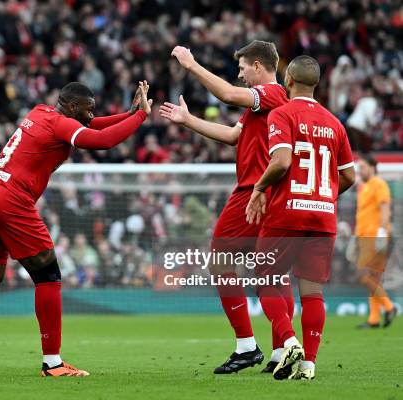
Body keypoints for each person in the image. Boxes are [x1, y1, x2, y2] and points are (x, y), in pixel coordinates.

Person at [0, 81, 152, 377]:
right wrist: (141, 118)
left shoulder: (41, 112)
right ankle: (52, 363)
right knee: (48, 276)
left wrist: (129, 113)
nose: (91, 116)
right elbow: (101, 141)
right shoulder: (61, 124)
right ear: (73, 107)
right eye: (88, 110)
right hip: (10, 200)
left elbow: (95, 126)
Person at [159, 40, 289, 374]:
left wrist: (191, 65)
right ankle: (281, 350)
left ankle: (247, 345)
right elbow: (234, 136)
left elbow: (229, 94)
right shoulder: (263, 106)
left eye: (244, 68)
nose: (241, 74)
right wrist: (188, 120)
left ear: (259, 66)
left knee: (220, 261)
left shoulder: (272, 94)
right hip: (270, 191)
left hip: (252, 191)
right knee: (270, 270)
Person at [245, 55, 356, 380]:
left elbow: (280, 161)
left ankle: (289, 340)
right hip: (323, 217)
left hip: (286, 214)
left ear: (288, 81)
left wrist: (258, 189)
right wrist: (323, 196)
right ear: (316, 84)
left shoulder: (281, 113)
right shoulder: (335, 123)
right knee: (312, 292)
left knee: (265, 276)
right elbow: (348, 176)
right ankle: (309, 364)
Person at [350, 154, 397, 329]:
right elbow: (362, 214)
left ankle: (389, 307)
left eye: (362, 167)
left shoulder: (379, 184)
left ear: (372, 167)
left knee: (362, 275)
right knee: (373, 278)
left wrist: (382, 233)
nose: (359, 171)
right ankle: (374, 319)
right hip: (364, 237)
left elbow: (385, 208)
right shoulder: (363, 187)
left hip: (374, 236)